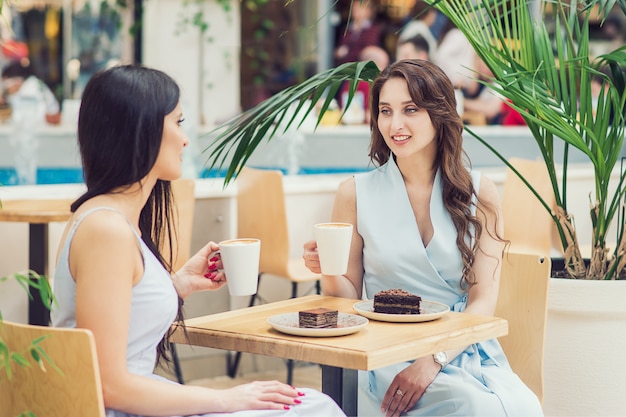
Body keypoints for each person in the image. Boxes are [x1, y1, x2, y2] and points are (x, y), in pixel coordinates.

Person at [50, 64, 346, 417]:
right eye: (177, 122)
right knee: (313, 409)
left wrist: (178, 284)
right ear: (140, 130)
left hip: (135, 402)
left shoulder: (108, 220)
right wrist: (227, 398)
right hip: (119, 408)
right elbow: (107, 384)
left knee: (314, 404)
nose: (186, 138)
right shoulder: (107, 230)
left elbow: (122, 318)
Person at [302, 59, 543, 416]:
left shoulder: (481, 193)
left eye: (410, 109)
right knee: (471, 407)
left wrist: (435, 360)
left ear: (439, 113)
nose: (395, 124)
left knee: (522, 406)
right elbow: (347, 297)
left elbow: (482, 302)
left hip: (463, 348)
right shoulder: (354, 193)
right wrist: (328, 267)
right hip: (388, 353)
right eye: (386, 111)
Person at [1, 59, 60, 125]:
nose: (7, 89)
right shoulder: (30, 85)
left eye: (6, 86)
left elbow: (31, 117)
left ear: (17, 81)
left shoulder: (31, 91)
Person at [334, 0, 382, 66]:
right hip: (346, 68)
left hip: (363, 68)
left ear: (368, 11)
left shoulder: (373, 29)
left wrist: (347, 52)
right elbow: (340, 48)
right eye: (354, 8)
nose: (355, 10)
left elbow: (367, 50)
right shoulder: (347, 28)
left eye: (359, 8)